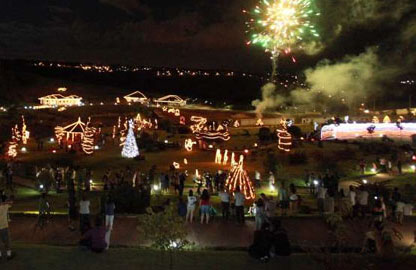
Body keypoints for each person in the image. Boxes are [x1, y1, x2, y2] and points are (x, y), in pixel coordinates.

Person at [0, 195, 13, 260]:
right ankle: (9, 255)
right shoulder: (5, 206)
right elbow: (11, 203)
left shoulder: (4, 205)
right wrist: (6, 201)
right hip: (4, 227)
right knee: (7, 241)